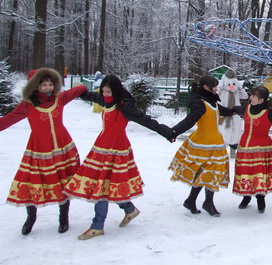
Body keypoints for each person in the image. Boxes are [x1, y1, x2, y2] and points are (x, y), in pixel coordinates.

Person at [64, 75, 174, 240]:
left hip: (117, 149)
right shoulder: (104, 100)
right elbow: (87, 95)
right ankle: (129, 209)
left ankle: (97, 226)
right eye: (103, 91)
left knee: (102, 187)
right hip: (102, 146)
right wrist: (77, 89)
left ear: (116, 90)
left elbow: (147, 121)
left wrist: (167, 132)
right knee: (107, 185)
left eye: (109, 91)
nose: (105, 94)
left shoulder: (124, 106)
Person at [0, 68, 87, 235]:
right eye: (44, 85)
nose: (48, 88)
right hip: (39, 150)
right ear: (35, 86)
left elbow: (79, 89)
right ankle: (31, 218)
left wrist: (80, 86)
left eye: (50, 84)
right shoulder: (27, 105)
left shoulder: (59, 99)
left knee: (63, 182)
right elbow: (6, 121)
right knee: (32, 183)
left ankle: (63, 218)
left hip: (63, 149)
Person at [168, 75, 236, 217]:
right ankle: (205, 203)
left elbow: (222, 110)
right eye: (214, 86)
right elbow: (190, 120)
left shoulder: (211, 100)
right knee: (206, 172)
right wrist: (174, 131)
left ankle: (192, 200)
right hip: (203, 143)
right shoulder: (200, 103)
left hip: (215, 142)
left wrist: (236, 110)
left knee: (208, 172)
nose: (217, 89)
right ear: (206, 87)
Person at [217, 68, 247, 159]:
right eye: (229, 84)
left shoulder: (237, 91)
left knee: (235, 131)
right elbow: (216, 94)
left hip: (235, 114)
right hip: (224, 112)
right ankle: (220, 152)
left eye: (233, 84)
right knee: (221, 131)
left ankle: (233, 152)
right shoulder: (222, 90)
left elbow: (245, 96)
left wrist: (240, 89)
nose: (231, 86)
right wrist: (220, 88)